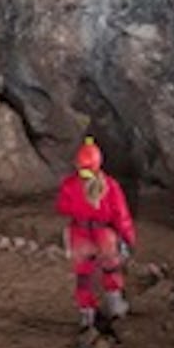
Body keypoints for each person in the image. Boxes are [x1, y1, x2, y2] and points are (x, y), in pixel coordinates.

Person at [55, 136, 137, 330]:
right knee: (111, 269)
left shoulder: (69, 185)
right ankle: (115, 306)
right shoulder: (110, 185)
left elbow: (62, 208)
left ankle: (87, 315)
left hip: (80, 235)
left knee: (83, 277)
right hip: (105, 235)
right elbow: (121, 216)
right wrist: (128, 238)